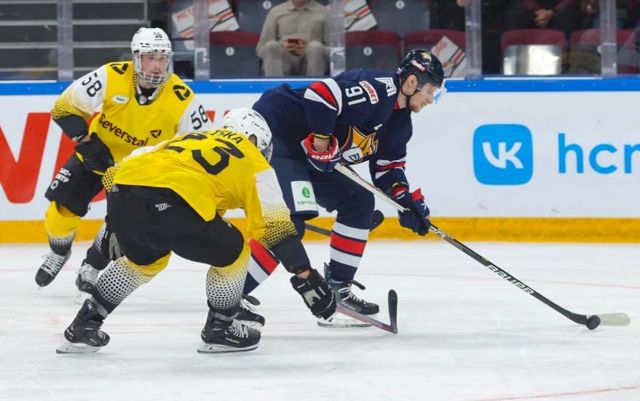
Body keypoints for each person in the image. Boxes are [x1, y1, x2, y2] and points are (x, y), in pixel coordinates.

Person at [56, 109, 337, 354]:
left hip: (123, 195)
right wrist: (306, 277)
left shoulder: (188, 139)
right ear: (255, 139)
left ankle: (83, 326)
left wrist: (115, 221)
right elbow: (276, 227)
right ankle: (221, 328)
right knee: (235, 252)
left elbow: (116, 172)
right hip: (173, 203)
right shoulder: (254, 160)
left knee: (142, 263)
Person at [244, 49, 445, 327]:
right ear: (412, 83)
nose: (431, 99)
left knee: (358, 201)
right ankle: (230, 297)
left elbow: (388, 169)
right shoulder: (378, 90)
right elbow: (321, 94)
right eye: (431, 90)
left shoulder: (400, 125)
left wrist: (405, 201)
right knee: (290, 224)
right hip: (281, 134)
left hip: (311, 158)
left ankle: (337, 290)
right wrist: (322, 142)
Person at [35, 27, 213, 295]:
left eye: (162, 58)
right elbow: (63, 107)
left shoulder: (182, 97)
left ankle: (92, 267)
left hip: (140, 171)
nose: (156, 65)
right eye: (150, 58)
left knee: (121, 226)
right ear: (135, 57)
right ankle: (59, 251)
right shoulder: (111, 75)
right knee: (60, 209)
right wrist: (86, 141)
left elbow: (203, 144)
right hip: (98, 154)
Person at [256, 0, 329, 77]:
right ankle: (275, 84)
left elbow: (333, 50)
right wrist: (282, 47)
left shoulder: (324, 13)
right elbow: (260, 48)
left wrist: (309, 49)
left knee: (315, 46)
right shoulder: (276, 12)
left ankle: (315, 84)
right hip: (282, 62)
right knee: (271, 45)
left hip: (312, 60)